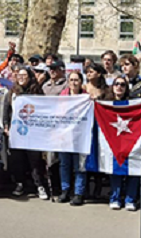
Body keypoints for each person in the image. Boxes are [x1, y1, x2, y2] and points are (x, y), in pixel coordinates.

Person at [4, 68, 48, 199]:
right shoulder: (12, 93)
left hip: (33, 132)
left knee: (34, 160)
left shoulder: (37, 92)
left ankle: (39, 185)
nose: (22, 77)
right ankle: (20, 184)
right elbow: (6, 111)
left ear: (30, 77)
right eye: (19, 75)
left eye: (25, 75)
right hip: (17, 131)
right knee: (18, 160)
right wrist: (6, 126)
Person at [108, 76, 139, 211]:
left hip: (131, 141)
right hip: (113, 142)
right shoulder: (106, 103)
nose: (119, 87)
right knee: (116, 171)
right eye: (117, 84)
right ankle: (115, 198)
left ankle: (130, 199)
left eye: (122, 85)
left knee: (133, 169)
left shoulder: (133, 104)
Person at [58, 71, 87, 206]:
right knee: (64, 164)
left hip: (81, 136)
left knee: (79, 166)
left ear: (81, 82)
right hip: (65, 136)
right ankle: (65, 190)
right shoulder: (62, 96)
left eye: (76, 80)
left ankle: (78, 193)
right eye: (71, 80)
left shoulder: (86, 97)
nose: (74, 83)